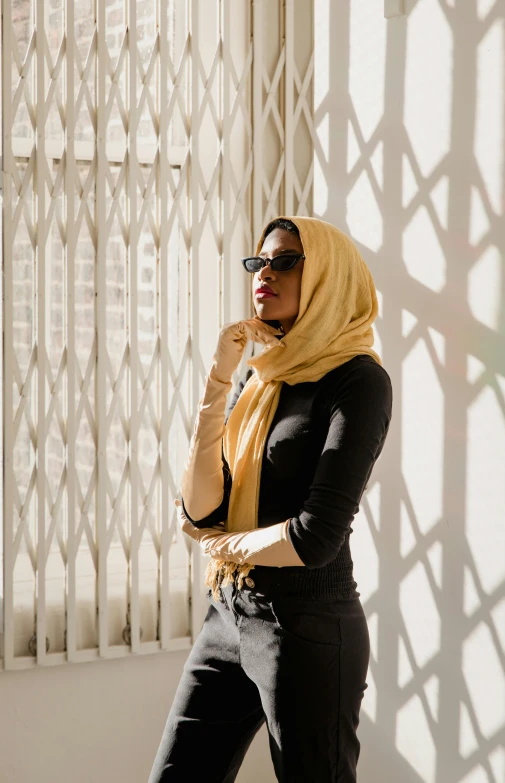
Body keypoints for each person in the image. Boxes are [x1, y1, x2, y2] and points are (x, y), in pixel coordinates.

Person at [148, 216, 393, 782]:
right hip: (229, 614)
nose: (264, 274)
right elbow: (202, 507)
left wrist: (223, 546)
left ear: (330, 276)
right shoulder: (260, 374)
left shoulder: (358, 382)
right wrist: (219, 378)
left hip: (308, 627)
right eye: (258, 262)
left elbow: (315, 537)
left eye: (285, 261)